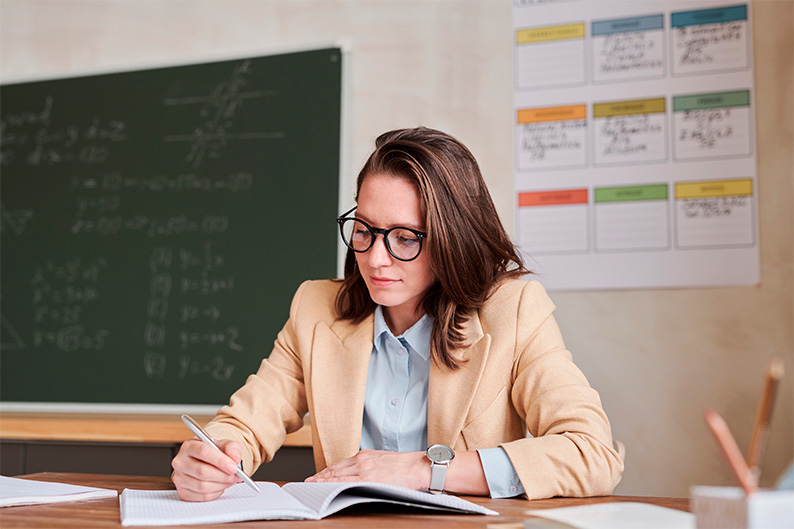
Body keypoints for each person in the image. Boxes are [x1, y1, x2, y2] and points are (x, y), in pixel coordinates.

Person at [171, 126, 624, 502]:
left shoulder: (514, 310)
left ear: (453, 238)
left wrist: (424, 470)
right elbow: (247, 421)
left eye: (405, 238)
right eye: (364, 230)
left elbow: (592, 454)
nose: (374, 259)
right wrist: (214, 455)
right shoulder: (315, 307)